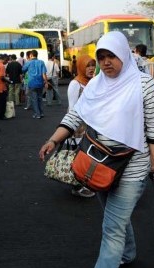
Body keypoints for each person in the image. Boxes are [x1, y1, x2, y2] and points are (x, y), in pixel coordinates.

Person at [38, 31, 154, 268]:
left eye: (111, 56)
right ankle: (128, 252)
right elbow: (76, 114)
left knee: (112, 226)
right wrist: (53, 139)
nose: (105, 62)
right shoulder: (97, 84)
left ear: (123, 53)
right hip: (97, 163)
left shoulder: (144, 86)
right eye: (101, 58)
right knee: (115, 217)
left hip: (132, 167)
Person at [66, 55, 96, 198]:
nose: (91, 69)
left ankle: (84, 184)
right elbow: (73, 109)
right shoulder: (75, 84)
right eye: (88, 66)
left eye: (93, 65)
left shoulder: (93, 82)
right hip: (78, 127)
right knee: (77, 157)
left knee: (87, 157)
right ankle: (76, 186)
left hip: (91, 126)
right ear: (81, 67)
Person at [22, 49, 48, 119]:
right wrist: (46, 82)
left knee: (34, 99)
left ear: (31, 55)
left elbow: (23, 70)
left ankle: (37, 114)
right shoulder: (41, 62)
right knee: (40, 98)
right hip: (40, 83)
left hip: (32, 83)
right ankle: (41, 113)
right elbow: (44, 74)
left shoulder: (29, 62)